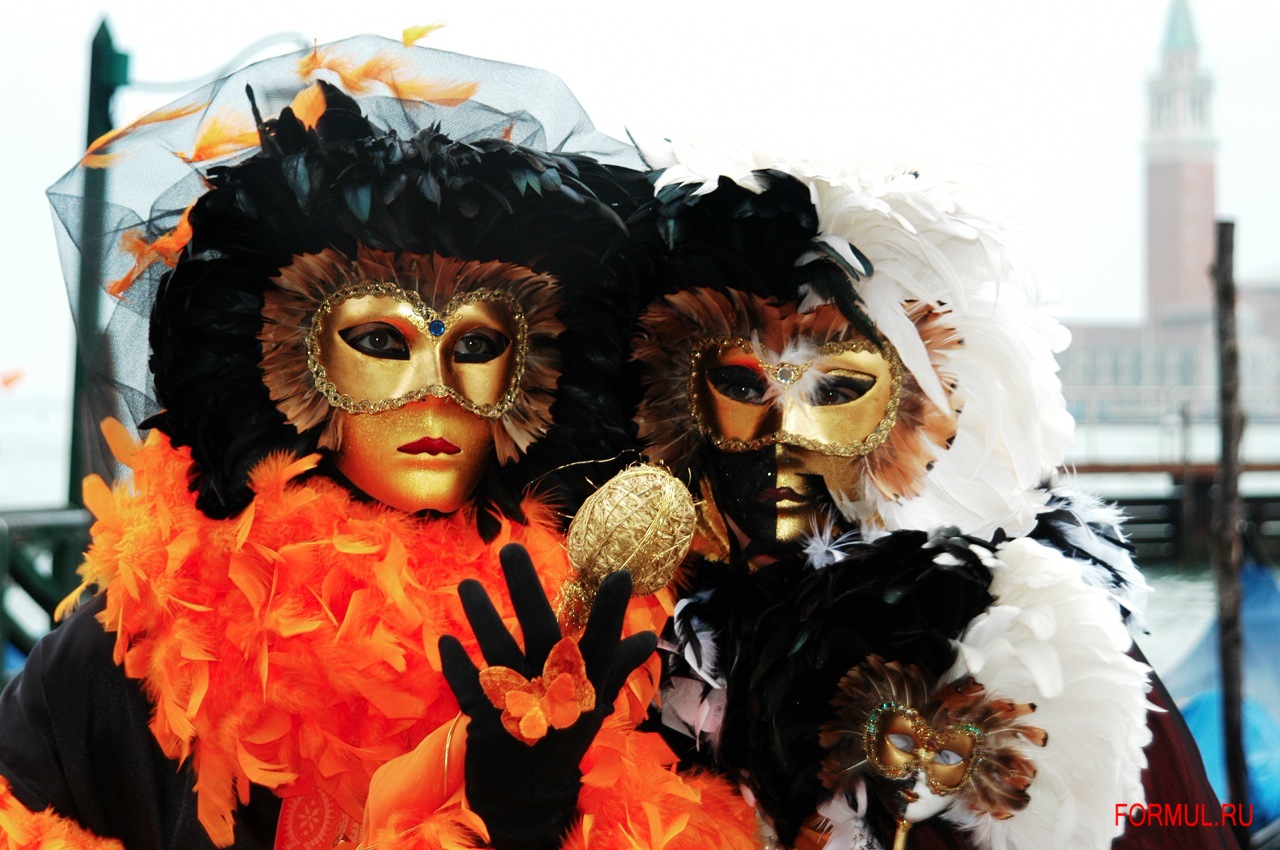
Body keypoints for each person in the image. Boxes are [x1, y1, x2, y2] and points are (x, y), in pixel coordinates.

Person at [0, 37, 757, 850]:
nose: (435, 390)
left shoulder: (617, 646)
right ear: (285, 361)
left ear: (533, 377)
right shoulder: (141, 643)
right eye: (381, 343)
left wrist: (532, 823)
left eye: (476, 347)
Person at [624, 142, 1239, 849]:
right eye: (739, 385)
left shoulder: (1033, 653)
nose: (782, 438)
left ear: (930, 408)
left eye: (838, 390)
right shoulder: (652, 644)